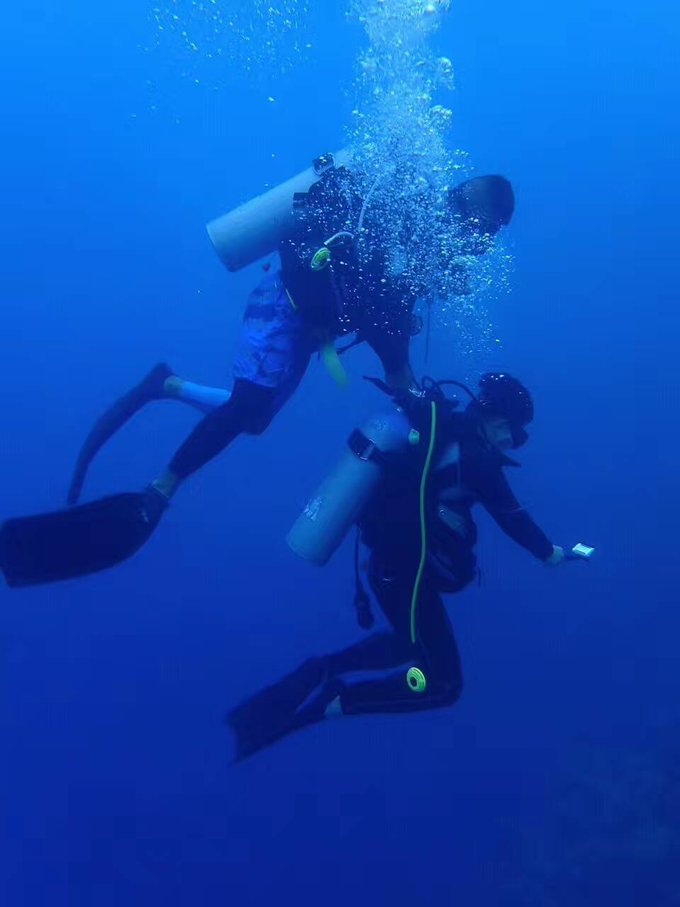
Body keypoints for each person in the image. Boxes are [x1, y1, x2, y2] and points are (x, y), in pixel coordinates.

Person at [0, 166, 515, 589]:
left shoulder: (409, 253)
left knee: (254, 419)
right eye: (483, 234)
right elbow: (390, 347)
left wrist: (421, 403)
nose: (478, 251)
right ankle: (162, 488)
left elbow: (393, 347)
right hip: (285, 307)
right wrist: (416, 400)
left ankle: (167, 384)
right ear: (470, 216)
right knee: (247, 406)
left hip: (311, 325)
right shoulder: (404, 234)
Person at [227, 373, 569, 761]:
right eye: (511, 429)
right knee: (442, 684)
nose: (511, 440)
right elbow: (513, 517)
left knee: (411, 645)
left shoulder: (448, 434)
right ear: (492, 416)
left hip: (394, 570)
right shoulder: (476, 459)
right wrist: (550, 554)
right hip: (403, 575)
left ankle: (325, 671)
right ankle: (336, 698)